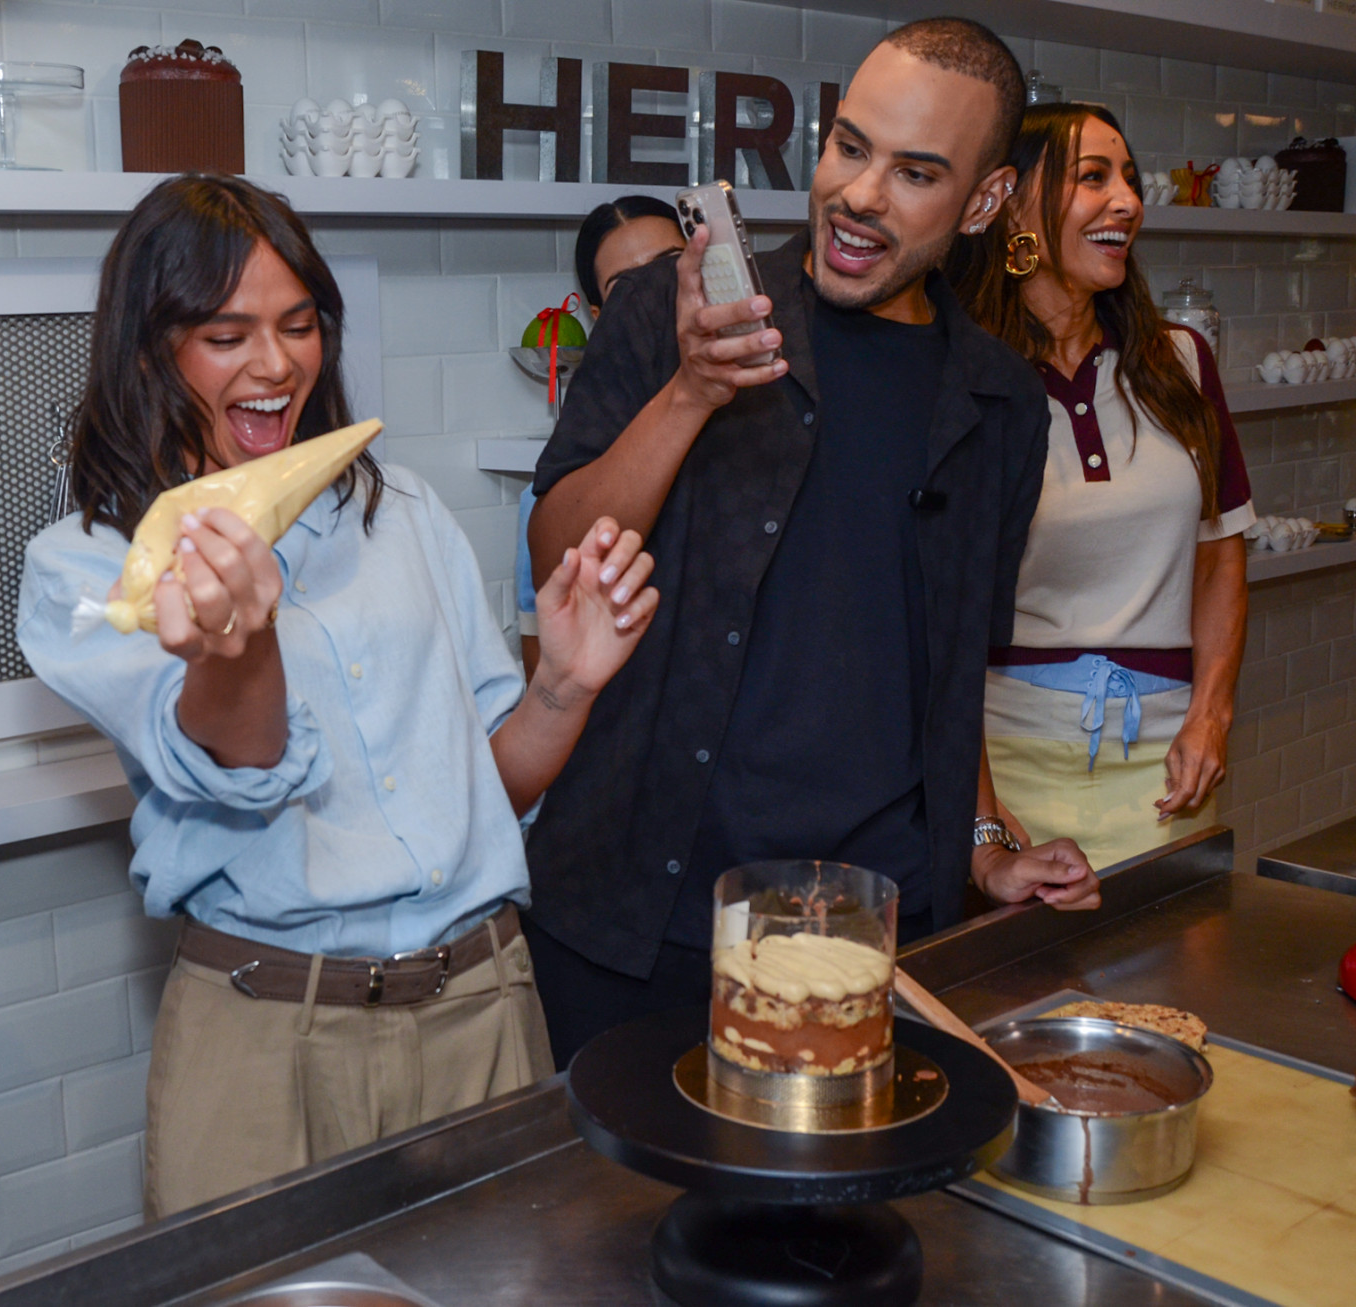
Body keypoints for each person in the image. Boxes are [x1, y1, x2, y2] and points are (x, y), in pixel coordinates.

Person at [16, 174, 659, 1218]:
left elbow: (485, 784)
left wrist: (564, 683)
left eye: (299, 323)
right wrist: (240, 644)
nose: (277, 365)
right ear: (149, 349)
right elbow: (241, 760)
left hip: (484, 1004)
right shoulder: (91, 568)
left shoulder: (399, 510)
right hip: (271, 1029)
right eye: (227, 335)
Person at [521, 18, 1099, 1067]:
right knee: (605, 1230)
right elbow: (559, 552)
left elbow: (949, 665)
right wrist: (693, 387)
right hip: (638, 916)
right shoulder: (669, 310)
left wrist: (983, 847)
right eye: (849, 146)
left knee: (842, 1226)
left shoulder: (1001, 403)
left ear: (981, 203)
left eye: (916, 172)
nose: (861, 194)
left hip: (872, 931)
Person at [948, 104, 1253, 869]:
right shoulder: (960, 378)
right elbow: (932, 615)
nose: (1127, 201)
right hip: (1009, 767)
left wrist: (1210, 716)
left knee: (1171, 981)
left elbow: (1219, 556)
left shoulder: (1180, 361)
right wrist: (979, 815)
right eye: (1093, 178)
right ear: (1011, 202)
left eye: (1128, 178)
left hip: (1168, 770)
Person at [516, 196, 686, 679]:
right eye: (628, 288)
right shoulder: (564, 485)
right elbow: (542, 658)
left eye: (671, 266)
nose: (657, 296)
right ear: (597, 314)